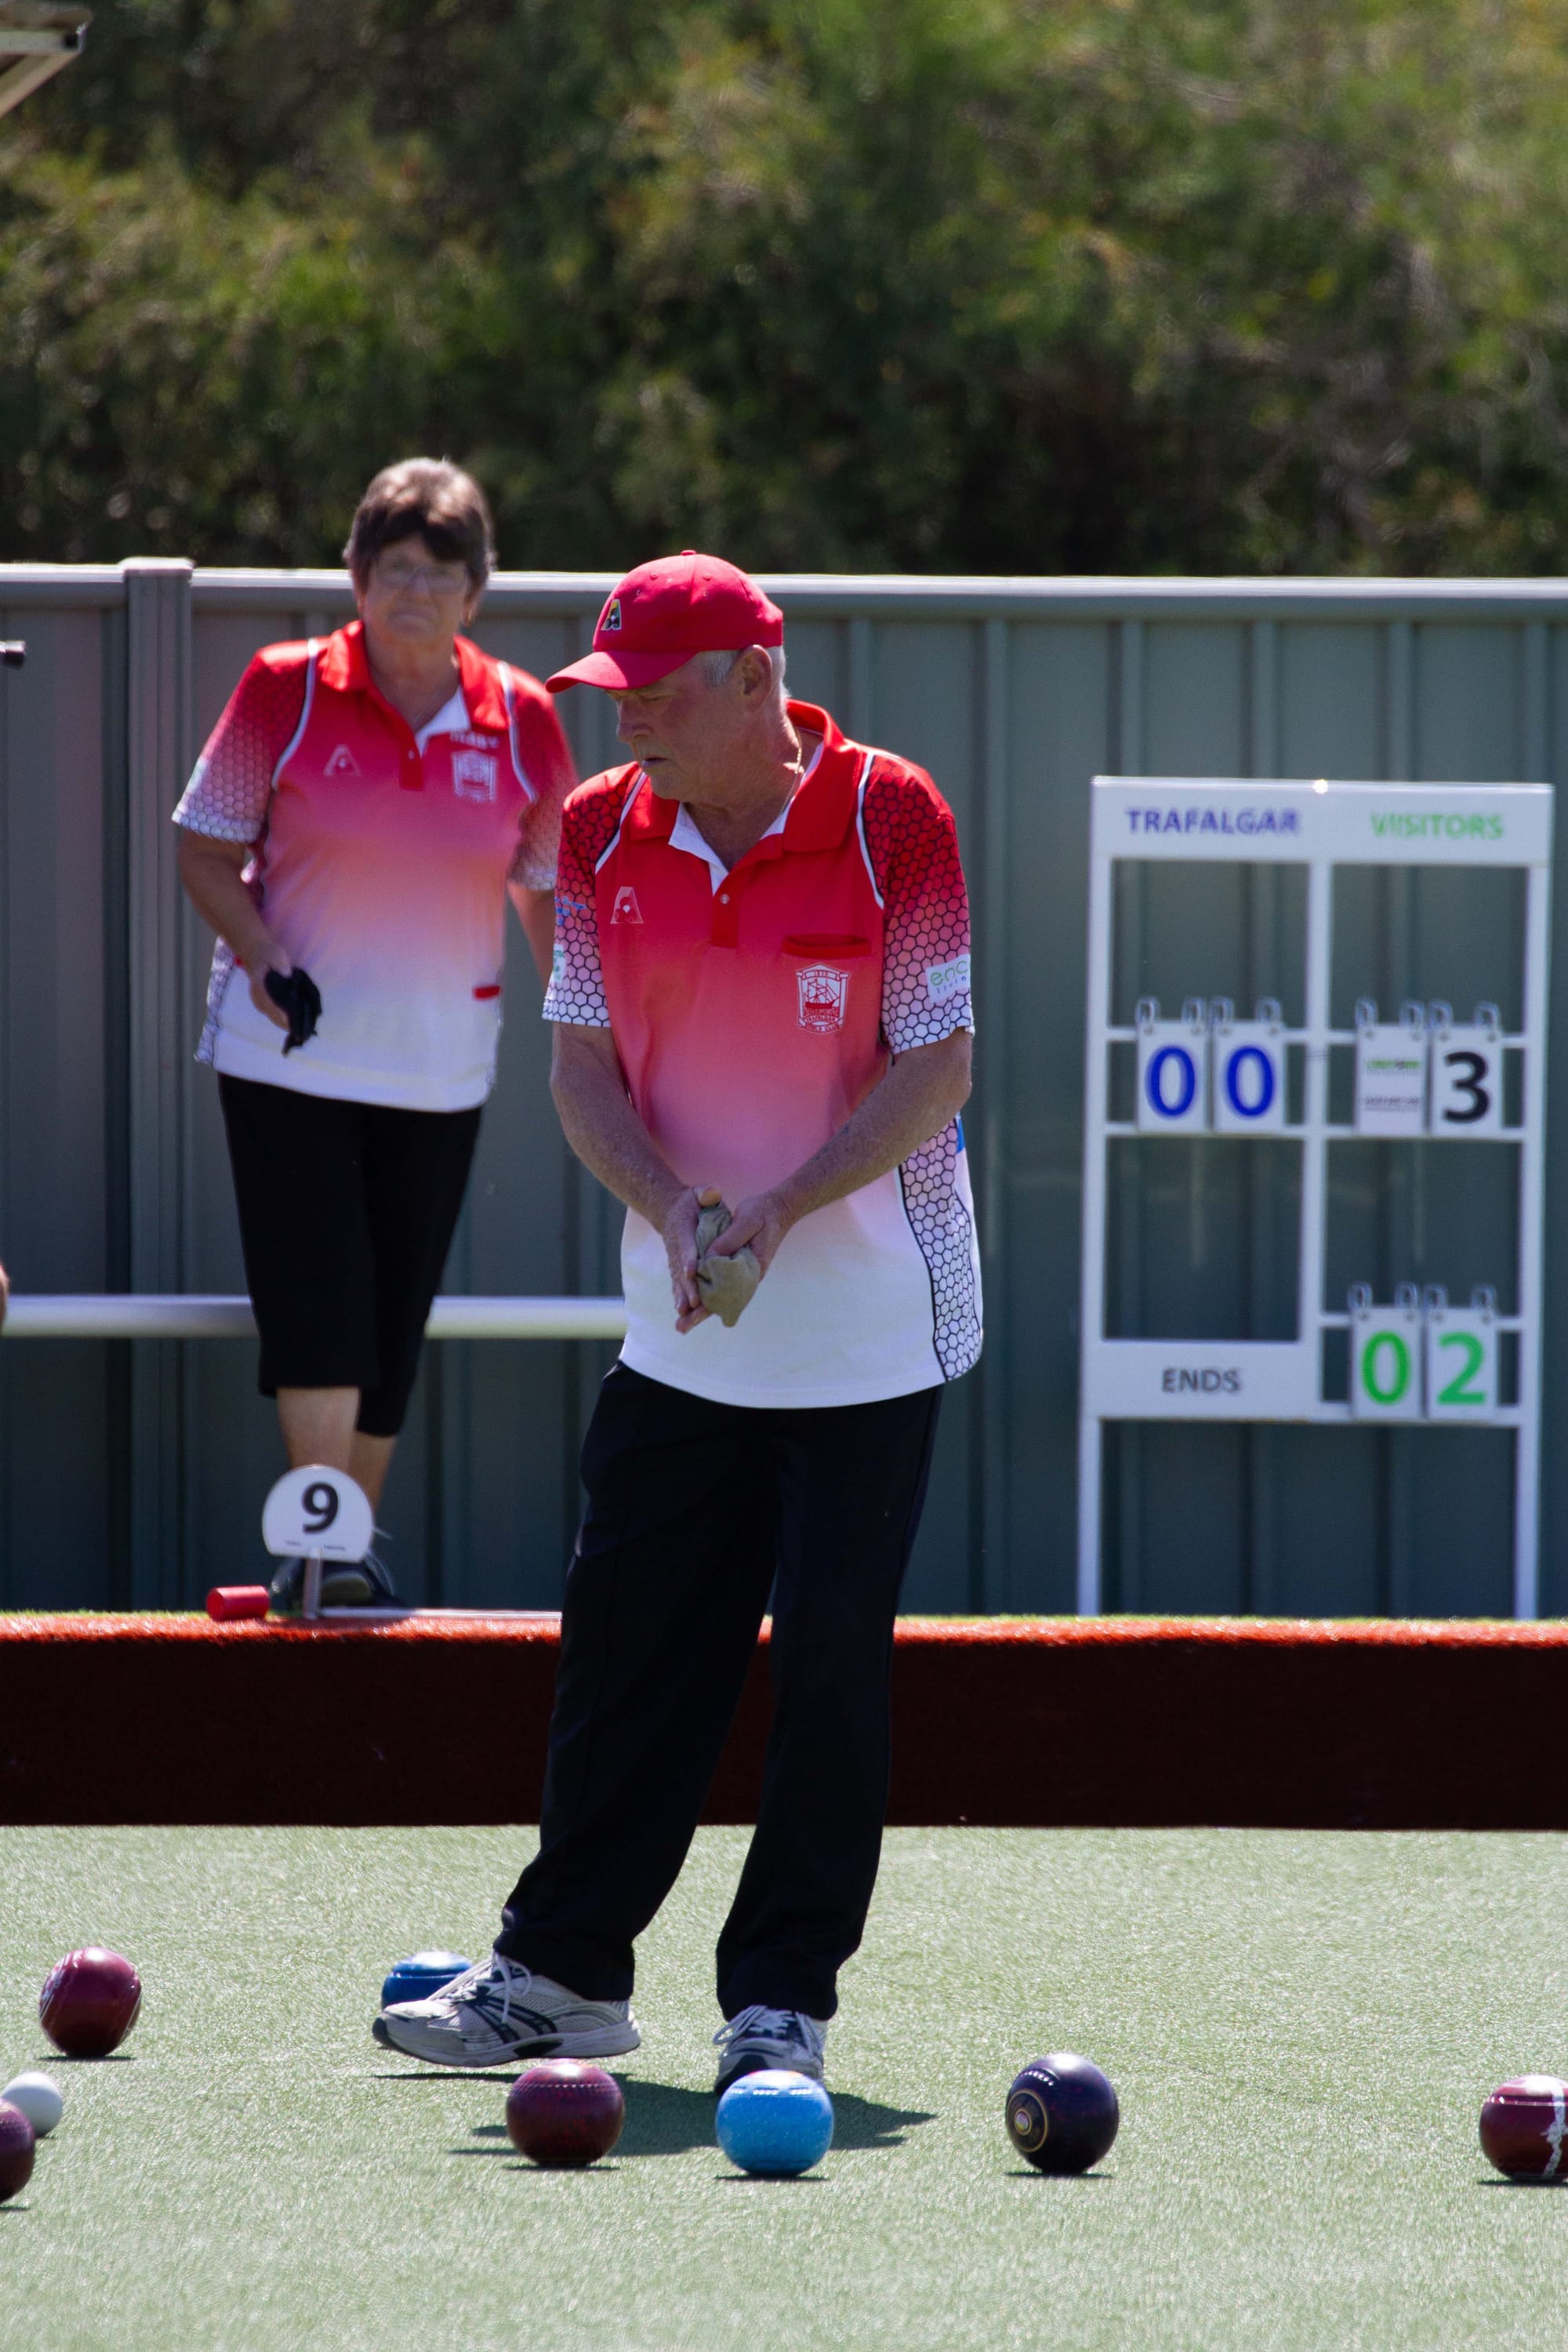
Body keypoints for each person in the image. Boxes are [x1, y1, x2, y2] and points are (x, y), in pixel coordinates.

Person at [381, 550, 980, 2089]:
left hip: (872, 1329)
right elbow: (580, 1067)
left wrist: (782, 1206)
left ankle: (782, 2001)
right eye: (613, 691)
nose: (628, 716)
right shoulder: (594, 830)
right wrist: (669, 1210)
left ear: (759, 681)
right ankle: (564, 1974)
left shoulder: (892, 817)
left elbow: (938, 1070)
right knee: (629, 1653)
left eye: (659, 689)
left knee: (831, 1666)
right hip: (683, 1331)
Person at [173, 459, 575, 1610]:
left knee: (393, 1321)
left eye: (440, 573)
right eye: (392, 568)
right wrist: (265, 959)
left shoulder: (526, 718)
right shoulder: (283, 687)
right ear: (354, 578)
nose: (414, 592)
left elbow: (546, 891)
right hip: (287, 1057)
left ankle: (346, 1552)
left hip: (444, 1069)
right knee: (320, 1307)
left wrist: (584, 1036)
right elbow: (204, 849)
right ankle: (319, 1549)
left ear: (476, 594)